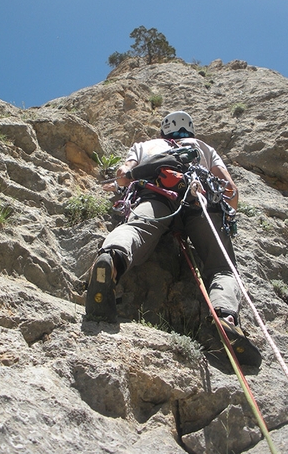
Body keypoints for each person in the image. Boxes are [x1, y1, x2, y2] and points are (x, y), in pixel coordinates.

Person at [85, 111, 261, 367]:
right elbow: (231, 192)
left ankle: (110, 259)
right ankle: (225, 319)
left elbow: (124, 175)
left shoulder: (145, 146)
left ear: (163, 132)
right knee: (222, 267)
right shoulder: (204, 148)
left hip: (157, 195)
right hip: (201, 200)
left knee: (136, 228)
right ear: (190, 130)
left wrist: (119, 184)